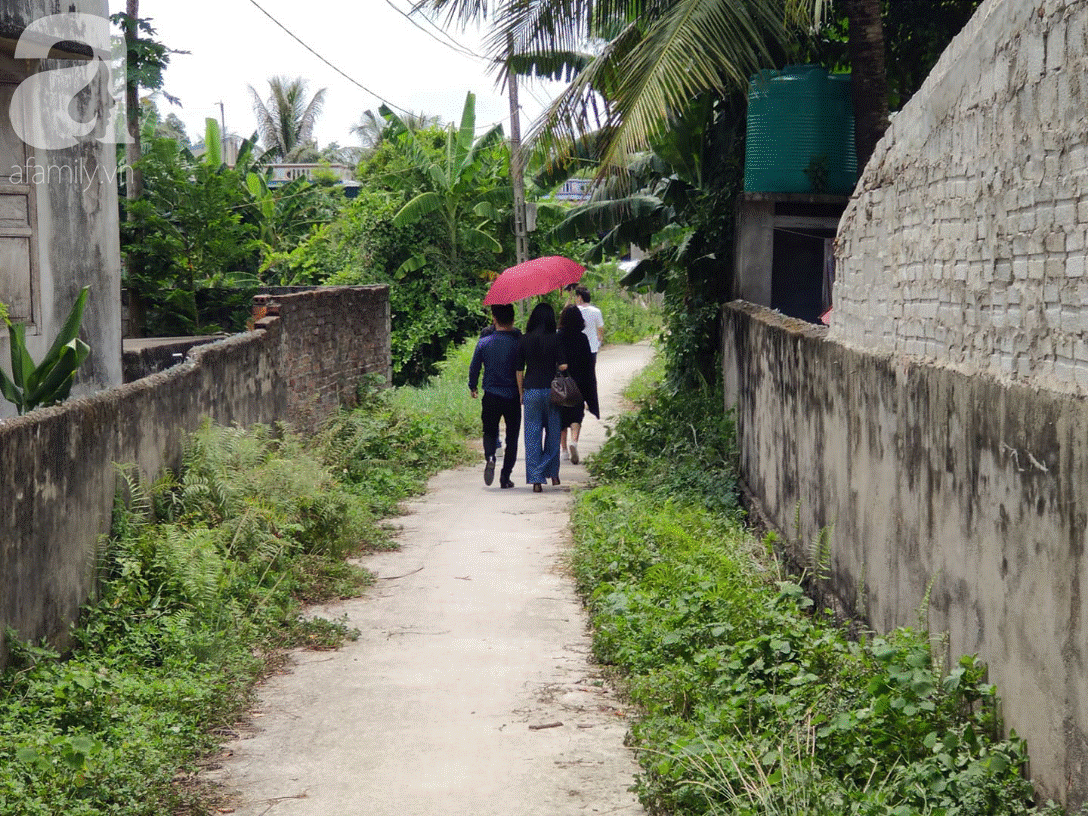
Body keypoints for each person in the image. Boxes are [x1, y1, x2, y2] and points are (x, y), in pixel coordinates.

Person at [468, 304, 521, 489]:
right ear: (513, 320)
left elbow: (474, 367)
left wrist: (472, 386)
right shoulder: (518, 343)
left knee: (490, 432)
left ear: (494, 319)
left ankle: (491, 456)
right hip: (513, 396)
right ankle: (505, 477)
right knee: (512, 438)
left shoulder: (484, 342)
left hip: (490, 395)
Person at [516, 302, 566, 492]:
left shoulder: (524, 339)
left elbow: (519, 369)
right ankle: (552, 473)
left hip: (531, 391)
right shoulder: (556, 339)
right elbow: (562, 366)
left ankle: (536, 479)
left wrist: (521, 392)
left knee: (532, 436)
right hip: (552, 391)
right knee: (553, 434)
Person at [556, 304, 599, 465]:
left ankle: (564, 450)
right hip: (579, 382)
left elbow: (555, 360)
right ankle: (574, 441)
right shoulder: (582, 338)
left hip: (561, 382)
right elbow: (589, 363)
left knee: (561, 416)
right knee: (576, 415)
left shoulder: (558, 336)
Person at [574, 286, 604, 360]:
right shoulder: (596, 311)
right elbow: (600, 328)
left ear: (579, 297)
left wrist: (569, 299)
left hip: (577, 347)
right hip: (592, 347)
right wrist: (598, 342)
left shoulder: (574, 311)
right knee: (590, 370)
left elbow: (563, 314)